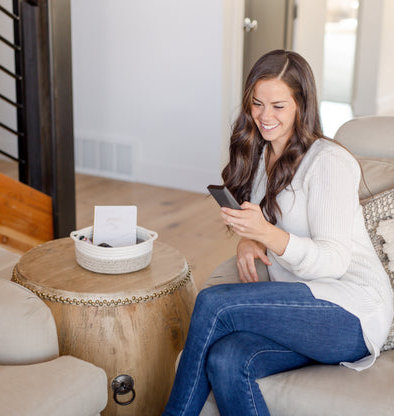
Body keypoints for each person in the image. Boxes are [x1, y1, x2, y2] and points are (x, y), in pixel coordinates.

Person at [162, 49, 393, 416]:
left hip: (351, 312)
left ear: (302, 105)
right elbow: (275, 226)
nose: (264, 117)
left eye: (278, 106)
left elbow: (333, 261)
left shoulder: (328, 162)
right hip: (306, 306)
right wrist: (249, 237)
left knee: (213, 303)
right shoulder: (263, 156)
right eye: (256, 104)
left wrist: (265, 233)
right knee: (227, 358)